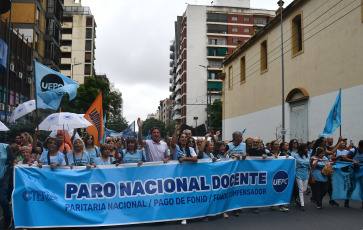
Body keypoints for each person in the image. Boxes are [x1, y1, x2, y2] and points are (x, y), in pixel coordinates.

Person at [344, 140, 363, 209]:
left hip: (362, 171)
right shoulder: (353, 151)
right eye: (361, 149)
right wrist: (352, 160)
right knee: (352, 187)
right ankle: (347, 201)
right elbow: (345, 158)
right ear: (359, 147)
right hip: (354, 171)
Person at [0, 143, 15, 229]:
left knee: (3, 199)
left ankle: (7, 216)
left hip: (4, 176)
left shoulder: (5, 147)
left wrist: (14, 163)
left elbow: (13, 159)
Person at [295, 143, 310, 211]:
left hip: (306, 173)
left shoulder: (308, 156)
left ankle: (298, 199)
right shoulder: (296, 156)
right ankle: (302, 204)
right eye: (305, 148)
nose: (307, 149)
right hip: (298, 174)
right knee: (301, 189)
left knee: (304, 189)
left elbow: (309, 165)